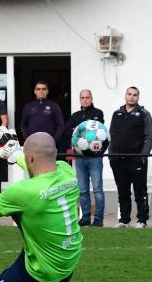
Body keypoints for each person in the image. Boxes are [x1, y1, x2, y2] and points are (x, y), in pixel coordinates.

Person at [0, 128, 101, 282]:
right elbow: (40, 169)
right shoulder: (67, 171)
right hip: (67, 262)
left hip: (44, 273)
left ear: (31, 157)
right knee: (30, 237)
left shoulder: (23, 192)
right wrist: (17, 153)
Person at [109, 86, 152, 229]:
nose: (132, 97)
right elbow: (111, 135)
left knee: (140, 191)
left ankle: (142, 220)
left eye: (135, 95)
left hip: (136, 160)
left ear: (138, 97)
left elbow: (149, 137)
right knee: (123, 191)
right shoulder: (117, 114)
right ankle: (124, 221)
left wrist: (143, 156)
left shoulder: (144, 114)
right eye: (129, 94)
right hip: (118, 160)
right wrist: (111, 155)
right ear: (125, 95)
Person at [63, 89, 105, 227]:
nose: (85, 100)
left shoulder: (98, 113)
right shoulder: (75, 115)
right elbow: (68, 131)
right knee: (82, 189)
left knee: (97, 189)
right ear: (80, 99)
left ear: (91, 98)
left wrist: (81, 130)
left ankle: (98, 219)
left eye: (88, 97)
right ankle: (85, 217)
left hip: (95, 158)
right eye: (83, 97)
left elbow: (99, 132)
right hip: (79, 157)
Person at [20, 81, 64, 146]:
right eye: (38, 89)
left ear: (47, 91)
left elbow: (61, 125)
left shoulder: (54, 106)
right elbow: (23, 125)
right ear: (35, 91)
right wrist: (28, 139)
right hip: (32, 143)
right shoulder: (28, 106)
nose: (41, 91)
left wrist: (54, 141)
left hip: (49, 144)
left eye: (43, 89)